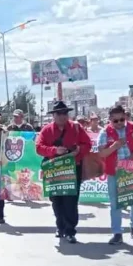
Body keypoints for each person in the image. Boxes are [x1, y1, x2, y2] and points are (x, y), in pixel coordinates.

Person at [36, 101, 92, 243]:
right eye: (59, 113)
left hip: (73, 169)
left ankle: (70, 230)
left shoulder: (76, 127)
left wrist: (78, 151)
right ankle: (60, 227)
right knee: (56, 200)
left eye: (64, 113)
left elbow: (88, 144)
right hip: (54, 170)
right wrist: (54, 150)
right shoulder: (47, 130)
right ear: (53, 115)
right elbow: (39, 147)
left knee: (71, 200)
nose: (62, 116)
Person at [97, 105, 133, 244]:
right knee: (115, 204)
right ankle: (117, 233)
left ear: (125, 117)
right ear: (110, 120)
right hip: (114, 172)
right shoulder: (104, 132)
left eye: (121, 120)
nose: (119, 123)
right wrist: (114, 146)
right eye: (116, 121)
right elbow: (101, 153)